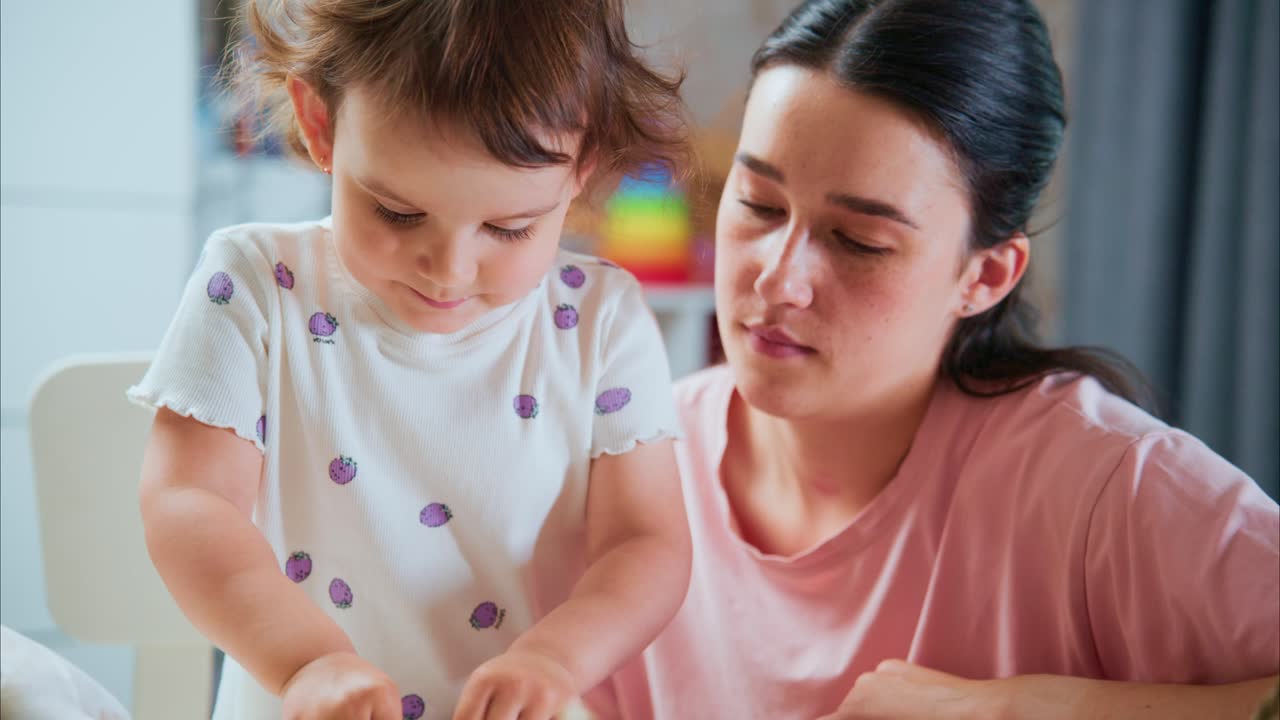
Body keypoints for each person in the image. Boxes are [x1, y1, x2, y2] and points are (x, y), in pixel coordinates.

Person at [590, 0, 1280, 718]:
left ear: (983, 277)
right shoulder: (628, 459)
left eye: (859, 241)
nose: (777, 279)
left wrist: (1016, 710)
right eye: (760, 204)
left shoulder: (1107, 486)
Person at [131, 1, 692, 718]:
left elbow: (645, 542)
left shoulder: (601, 322)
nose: (450, 271)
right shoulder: (254, 285)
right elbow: (190, 502)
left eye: (508, 228)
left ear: (581, 166)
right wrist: (309, 665)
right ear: (321, 124)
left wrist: (556, 660)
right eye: (397, 213)